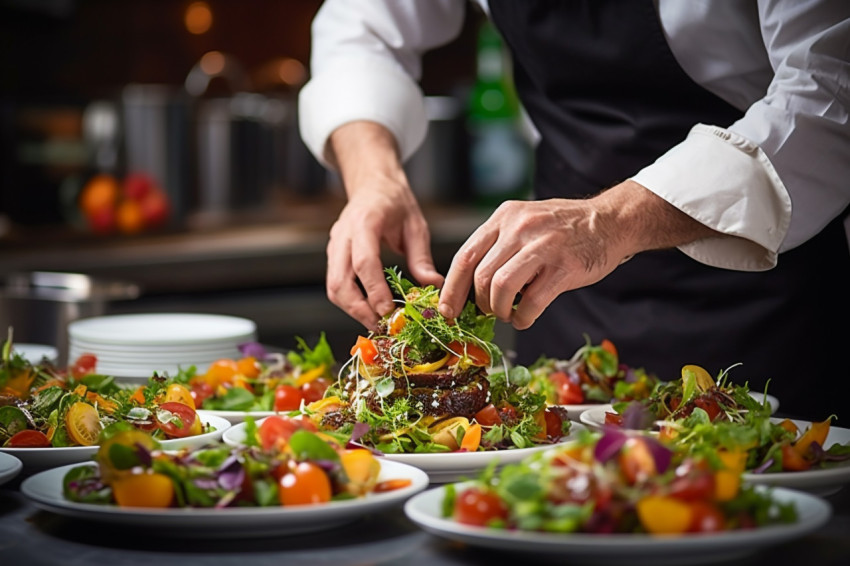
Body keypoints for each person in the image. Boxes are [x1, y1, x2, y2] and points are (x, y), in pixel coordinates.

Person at [298, 0, 850, 421]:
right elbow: (360, 28)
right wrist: (374, 179)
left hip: (767, 291)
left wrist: (606, 223)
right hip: (565, 298)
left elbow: (829, 90)